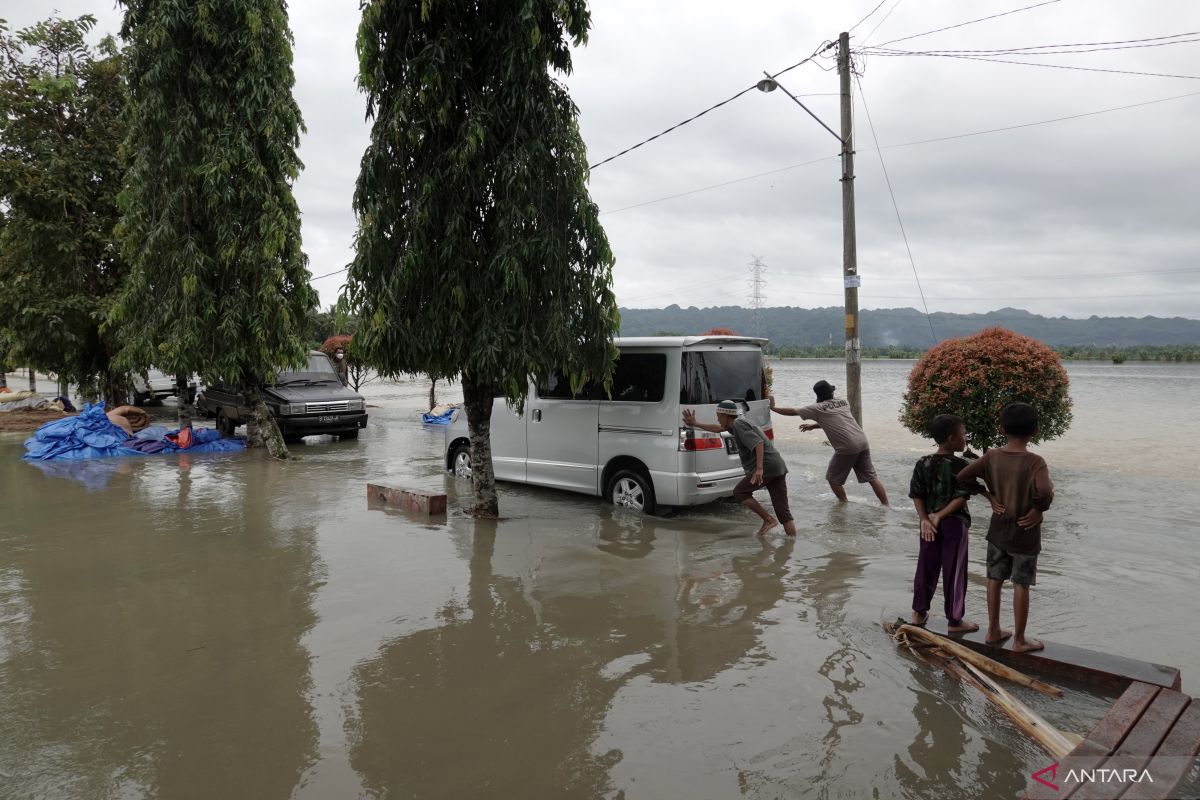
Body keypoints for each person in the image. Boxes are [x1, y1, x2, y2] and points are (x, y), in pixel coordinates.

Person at [956, 402, 1054, 653]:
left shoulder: (992, 456)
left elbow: (963, 476)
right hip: (1025, 531)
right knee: (1021, 583)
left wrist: (988, 496)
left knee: (994, 578)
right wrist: (1038, 510)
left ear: (1001, 429)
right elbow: (1044, 491)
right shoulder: (1035, 462)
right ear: (1035, 430)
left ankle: (993, 630)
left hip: (998, 529)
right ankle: (1019, 640)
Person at [909, 414, 993, 633]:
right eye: (963, 435)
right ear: (951, 438)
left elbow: (916, 494)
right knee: (955, 572)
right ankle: (954, 621)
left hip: (928, 526)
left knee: (925, 568)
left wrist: (925, 519)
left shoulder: (923, 462)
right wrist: (941, 515)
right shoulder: (960, 465)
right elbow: (962, 496)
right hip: (954, 524)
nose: (965, 439)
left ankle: (918, 613)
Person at [682, 400, 797, 537]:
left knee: (740, 492)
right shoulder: (737, 423)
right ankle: (791, 542)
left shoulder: (738, 424)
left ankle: (768, 519)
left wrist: (759, 469)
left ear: (725, 415)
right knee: (783, 512)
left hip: (767, 466)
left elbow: (758, 443)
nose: (718, 419)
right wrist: (696, 424)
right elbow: (717, 428)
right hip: (777, 465)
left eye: (718, 416)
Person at [771, 380, 889, 505]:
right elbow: (836, 421)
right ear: (831, 392)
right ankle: (886, 505)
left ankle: (844, 505)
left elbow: (792, 411)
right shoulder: (843, 402)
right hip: (862, 441)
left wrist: (773, 408)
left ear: (818, 395)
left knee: (833, 480)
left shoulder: (817, 408)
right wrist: (813, 426)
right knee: (872, 477)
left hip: (847, 446)